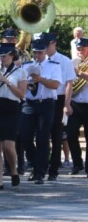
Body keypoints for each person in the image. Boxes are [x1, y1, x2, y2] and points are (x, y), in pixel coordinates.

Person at [20, 38, 61, 185]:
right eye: (35, 52)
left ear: (45, 52)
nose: (37, 55)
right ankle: (34, 163)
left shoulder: (53, 66)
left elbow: (55, 85)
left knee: (43, 138)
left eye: (40, 52)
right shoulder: (26, 65)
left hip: (46, 103)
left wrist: (40, 79)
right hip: (29, 103)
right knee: (24, 136)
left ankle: (40, 172)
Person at [0, 43, 27, 190]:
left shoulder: (20, 72)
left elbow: (22, 94)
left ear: (12, 56)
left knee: (8, 146)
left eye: (4, 56)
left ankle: (14, 170)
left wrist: (7, 82)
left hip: (12, 108)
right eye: (1, 56)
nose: (2, 58)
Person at [42, 32, 76, 181]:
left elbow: (69, 83)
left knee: (56, 136)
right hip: (42, 99)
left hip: (58, 98)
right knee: (40, 135)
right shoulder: (39, 59)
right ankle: (40, 167)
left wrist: (67, 103)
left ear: (54, 43)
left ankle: (53, 169)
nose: (44, 47)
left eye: (47, 44)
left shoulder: (64, 60)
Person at [65, 37, 88, 176]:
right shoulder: (73, 62)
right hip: (75, 103)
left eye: (83, 49)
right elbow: (68, 83)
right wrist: (66, 103)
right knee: (71, 133)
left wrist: (78, 73)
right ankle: (77, 164)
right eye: (78, 49)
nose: (80, 51)